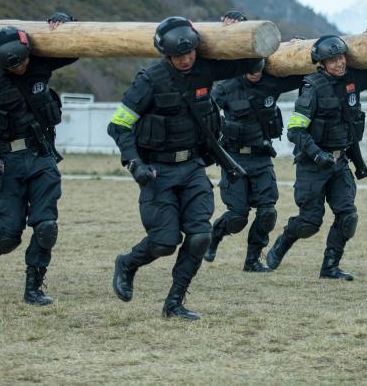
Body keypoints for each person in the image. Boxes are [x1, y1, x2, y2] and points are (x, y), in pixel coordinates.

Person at [109, 16, 263, 320]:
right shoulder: (149, 80)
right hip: (157, 172)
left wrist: (237, 26)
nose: (186, 59)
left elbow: (252, 63)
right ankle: (127, 263)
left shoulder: (205, 69)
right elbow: (119, 125)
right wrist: (134, 163)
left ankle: (174, 303)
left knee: (199, 237)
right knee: (165, 243)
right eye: (179, 55)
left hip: (192, 167)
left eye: (190, 52)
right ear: (166, 54)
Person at [0, 13, 76, 306]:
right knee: (10, 234)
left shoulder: (39, 62)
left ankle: (34, 287)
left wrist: (65, 22)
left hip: (41, 157)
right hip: (7, 162)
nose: (21, 68)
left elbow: (75, 49)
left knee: (46, 226)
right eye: (13, 66)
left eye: (24, 61)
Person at [266, 35, 367, 280]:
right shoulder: (312, 88)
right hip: (312, 165)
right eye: (332, 60)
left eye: (341, 58)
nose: (339, 64)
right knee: (309, 223)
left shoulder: (352, 81)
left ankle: (330, 267)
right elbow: (295, 131)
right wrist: (317, 155)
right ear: (322, 63)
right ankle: (283, 242)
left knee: (348, 217)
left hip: (340, 163)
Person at [203, 11, 305, 272]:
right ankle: (215, 235)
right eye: (250, 68)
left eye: (259, 67)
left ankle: (252, 260)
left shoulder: (271, 83)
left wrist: (299, 48)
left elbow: (302, 73)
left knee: (268, 211)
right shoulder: (226, 87)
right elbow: (205, 111)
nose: (256, 73)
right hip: (234, 157)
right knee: (237, 217)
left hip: (261, 156)